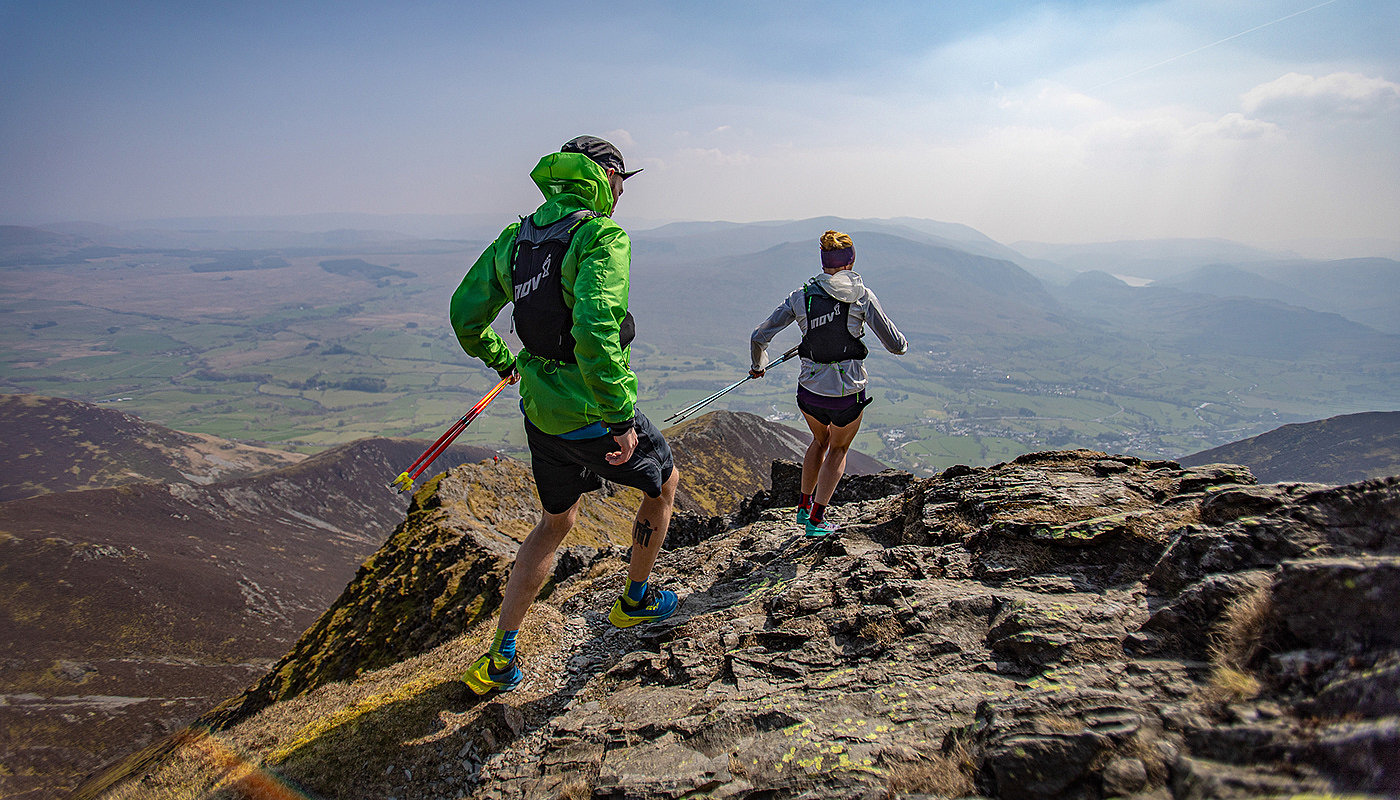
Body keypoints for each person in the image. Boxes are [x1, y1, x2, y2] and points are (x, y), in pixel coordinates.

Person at [449, 135, 681, 695]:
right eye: (622, 180)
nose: (623, 193)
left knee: (556, 523)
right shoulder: (600, 236)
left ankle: (501, 656)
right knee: (664, 483)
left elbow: (464, 315)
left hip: (541, 413)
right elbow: (595, 332)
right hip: (591, 413)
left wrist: (506, 362)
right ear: (603, 177)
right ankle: (636, 600)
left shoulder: (517, 238)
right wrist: (620, 417)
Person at [749, 230, 907, 537]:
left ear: (823, 262)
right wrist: (902, 344)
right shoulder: (863, 296)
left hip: (809, 393)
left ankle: (803, 508)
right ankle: (817, 521)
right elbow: (895, 345)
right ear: (851, 260)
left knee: (819, 442)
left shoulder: (802, 296)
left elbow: (759, 336)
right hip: (847, 394)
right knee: (838, 449)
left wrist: (759, 366)